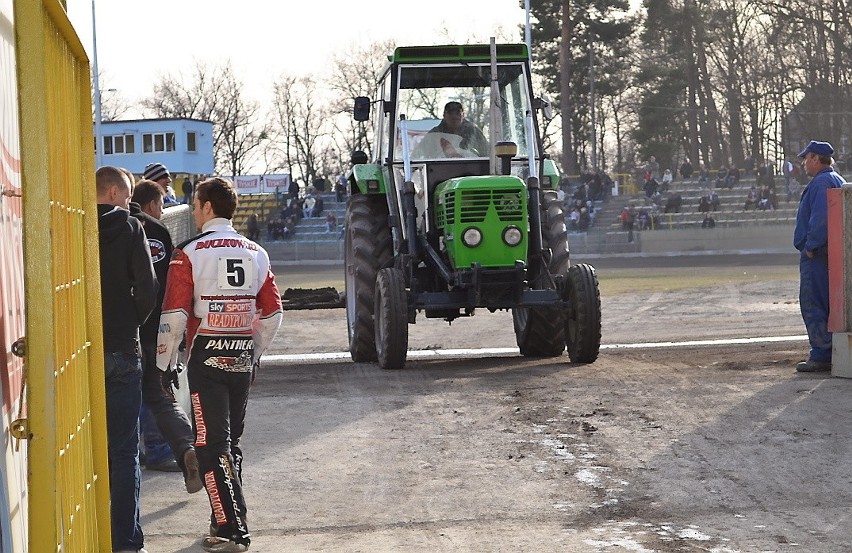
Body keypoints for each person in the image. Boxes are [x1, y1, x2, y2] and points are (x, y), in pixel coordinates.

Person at [157, 177, 283, 551]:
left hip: (205, 354)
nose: (193, 212)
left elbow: (175, 314)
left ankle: (234, 530)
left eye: (195, 205)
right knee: (229, 444)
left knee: (211, 445)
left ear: (208, 207)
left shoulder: (189, 252)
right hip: (242, 352)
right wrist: (254, 353)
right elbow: (273, 314)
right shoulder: (256, 251)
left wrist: (164, 364)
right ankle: (221, 517)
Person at [96, 166, 157, 553]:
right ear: (116, 192)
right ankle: (125, 542)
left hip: (78, 351)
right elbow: (148, 288)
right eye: (129, 193)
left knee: (84, 447)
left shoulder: (73, 223)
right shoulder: (134, 228)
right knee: (123, 452)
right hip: (120, 349)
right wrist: (129, 322)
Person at [129, 180, 203, 492]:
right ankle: (186, 448)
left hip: (125, 330)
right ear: (148, 205)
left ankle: (138, 455)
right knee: (161, 394)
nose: (162, 209)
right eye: (160, 203)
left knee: (126, 397)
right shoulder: (159, 230)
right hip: (159, 328)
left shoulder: (108, 226)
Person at [793, 140, 844, 372]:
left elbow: (820, 219)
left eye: (806, 158)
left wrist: (811, 246)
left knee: (814, 303)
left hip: (817, 256)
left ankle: (822, 354)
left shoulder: (821, 182)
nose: (804, 163)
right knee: (833, 304)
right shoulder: (837, 179)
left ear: (815, 158)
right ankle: (833, 351)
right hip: (834, 255)